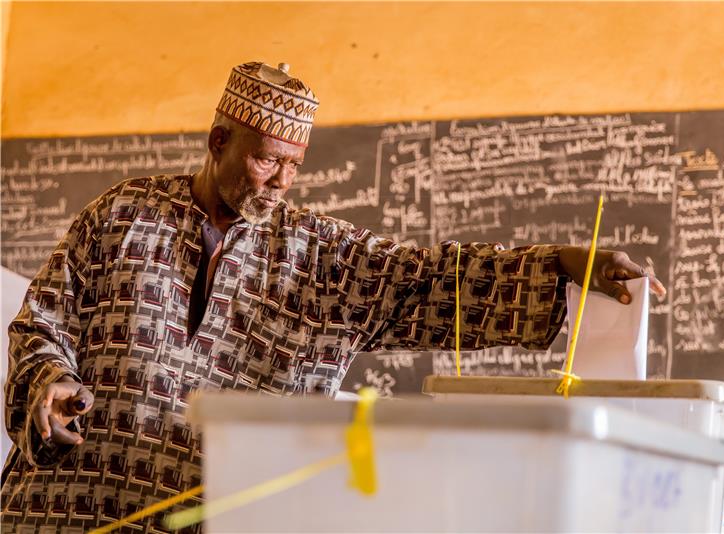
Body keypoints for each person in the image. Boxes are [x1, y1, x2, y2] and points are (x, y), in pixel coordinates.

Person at [1, 61, 666, 532]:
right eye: (267, 160)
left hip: (208, 519)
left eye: (296, 165)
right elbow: (40, 324)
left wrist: (560, 263)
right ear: (218, 142)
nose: (283, 181)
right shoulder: (119, 215)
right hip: (64, 510)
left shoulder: (322, 259)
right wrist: (48, 382)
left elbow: (430, 280)